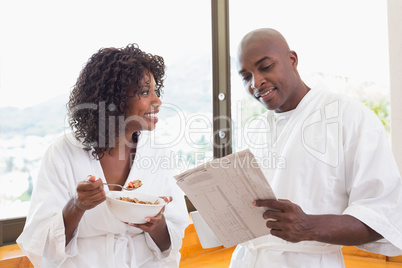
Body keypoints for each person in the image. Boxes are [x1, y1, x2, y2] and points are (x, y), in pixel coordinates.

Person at [230, 28, 402, 267]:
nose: (256, 82)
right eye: (245, 76)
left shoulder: (348, 116)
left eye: (266, 66)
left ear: (292, 60)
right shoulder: (255, 129)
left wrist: (309, 227)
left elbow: (384, 216)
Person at [17, 44, 190, 267]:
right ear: (114, 99)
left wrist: (156, 224)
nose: (157, 101)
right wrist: (76, 206)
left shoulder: (160, 153)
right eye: (145, 92)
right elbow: (41, 244)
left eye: (156, 91)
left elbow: (171, 242)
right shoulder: (63, 152)